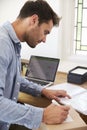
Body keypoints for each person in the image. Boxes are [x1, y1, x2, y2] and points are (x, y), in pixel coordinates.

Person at [0, 0, 70, 130]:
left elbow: (15, 78)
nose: (44, 40)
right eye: (45, 32)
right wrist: (42, 115)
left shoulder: (12, 43)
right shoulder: (2, 43)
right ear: (34, 20)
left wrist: (43, 90)